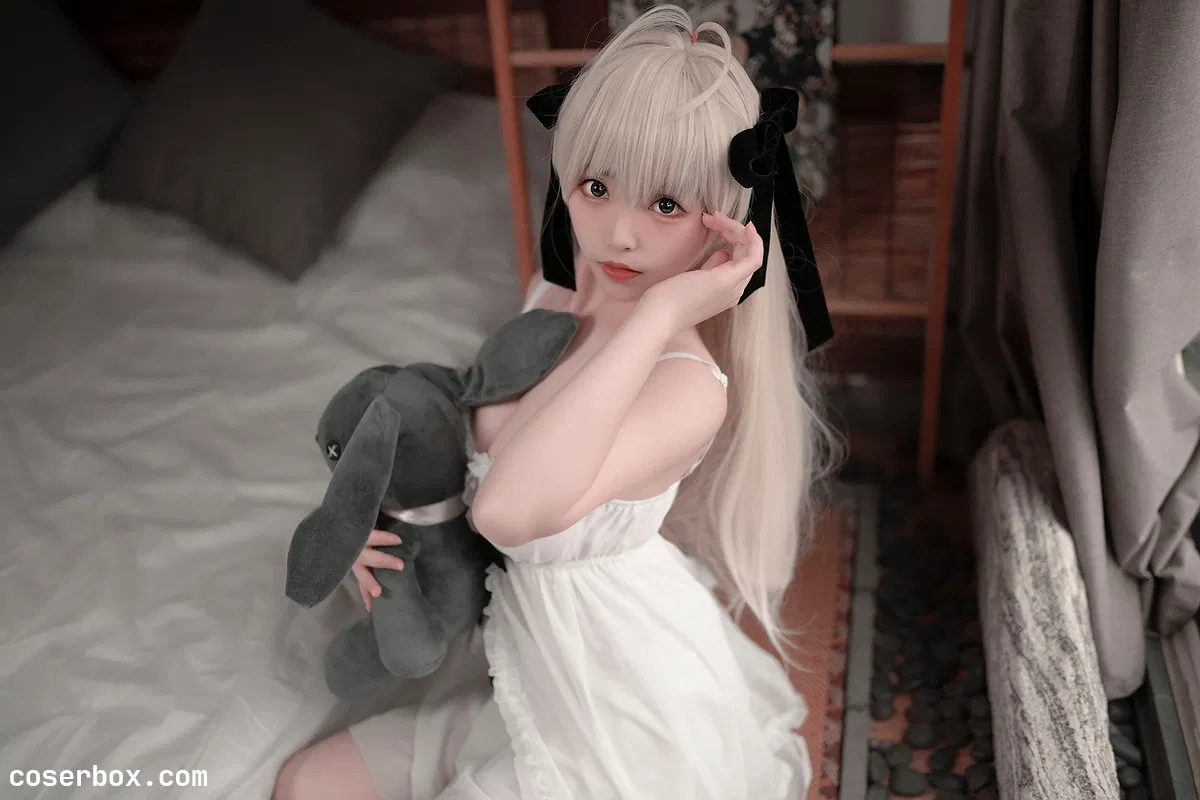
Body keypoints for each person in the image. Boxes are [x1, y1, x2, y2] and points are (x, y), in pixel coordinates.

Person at [274, 4, 838, 798]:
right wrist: (385, 522)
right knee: (305, 782)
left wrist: (663, 314)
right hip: (522, 663)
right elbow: (469, 456)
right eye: (597, 186)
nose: (619, 235)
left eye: (666, 205)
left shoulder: (685, 387)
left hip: (616, 706)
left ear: (722, 224)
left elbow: (508, 511)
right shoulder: (552, 292)